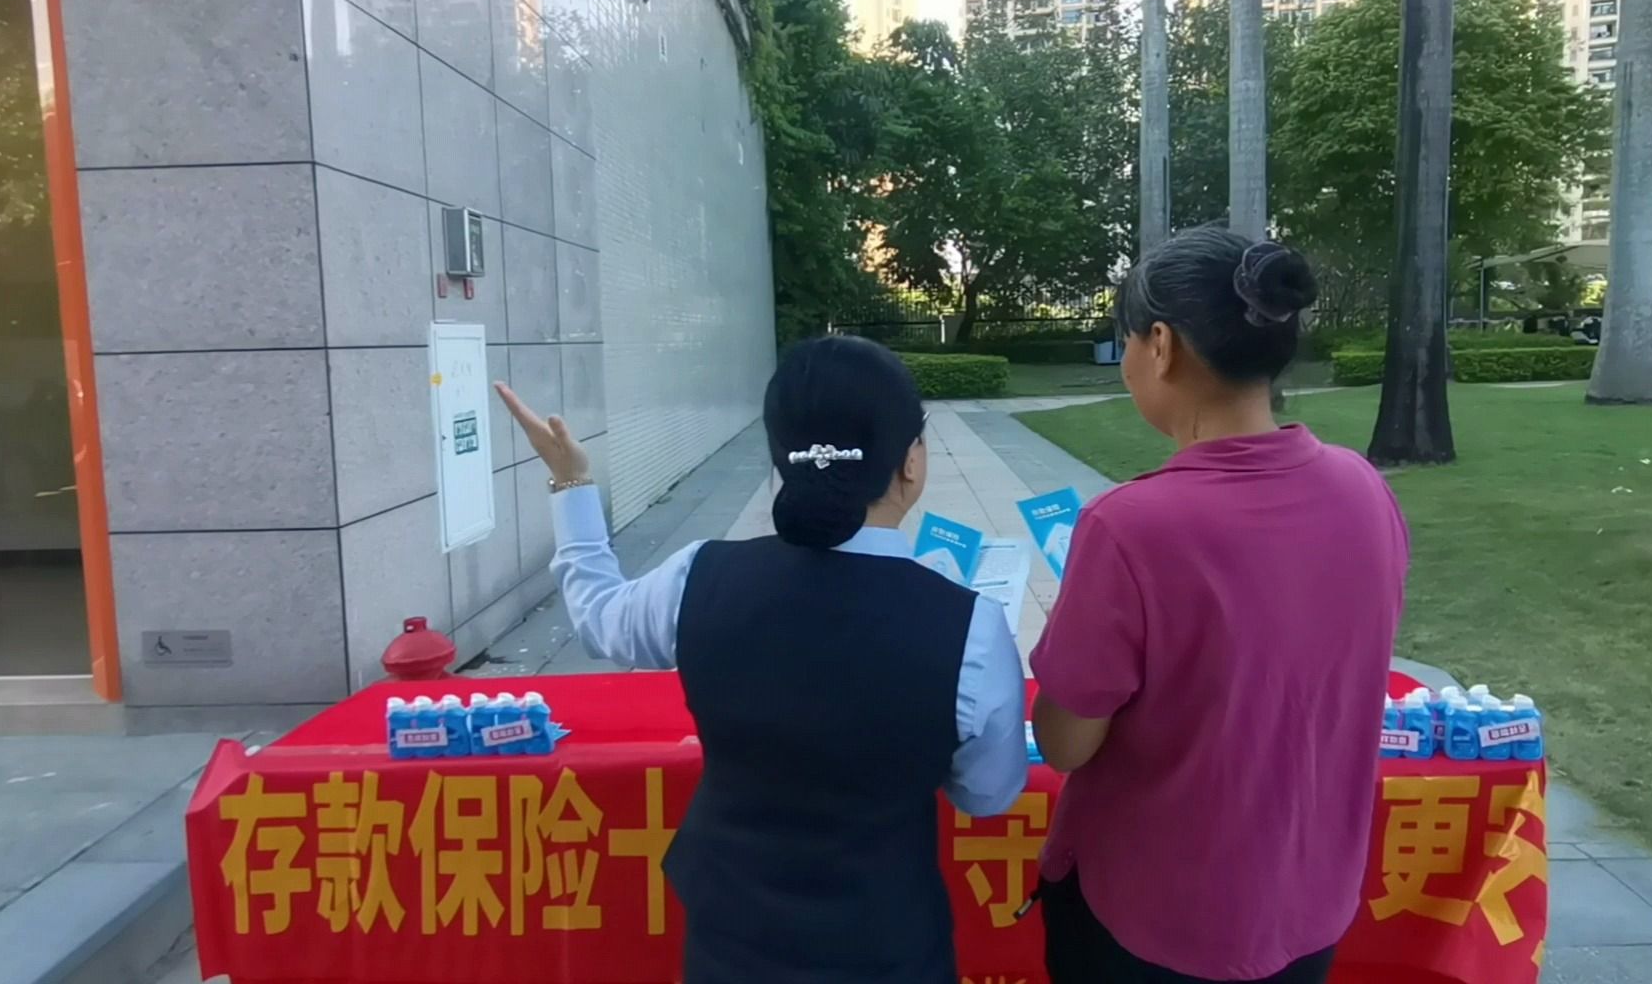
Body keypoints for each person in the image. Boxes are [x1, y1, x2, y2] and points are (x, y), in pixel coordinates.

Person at [494, 335, 1027, 984]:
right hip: (888, 950)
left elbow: (598, 617)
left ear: (780, 461)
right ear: (911, 461)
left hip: (730, 949)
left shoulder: (698, 578)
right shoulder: (969, 628)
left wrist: (571, 484)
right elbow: (987, 794)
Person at [1029, 227, 1409, 984]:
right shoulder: (1363, 489)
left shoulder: (1129, 526)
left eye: (1128, 340)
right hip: (1306, 907)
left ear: (1160, 345)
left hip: (1151, 920)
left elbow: (1066, 742)